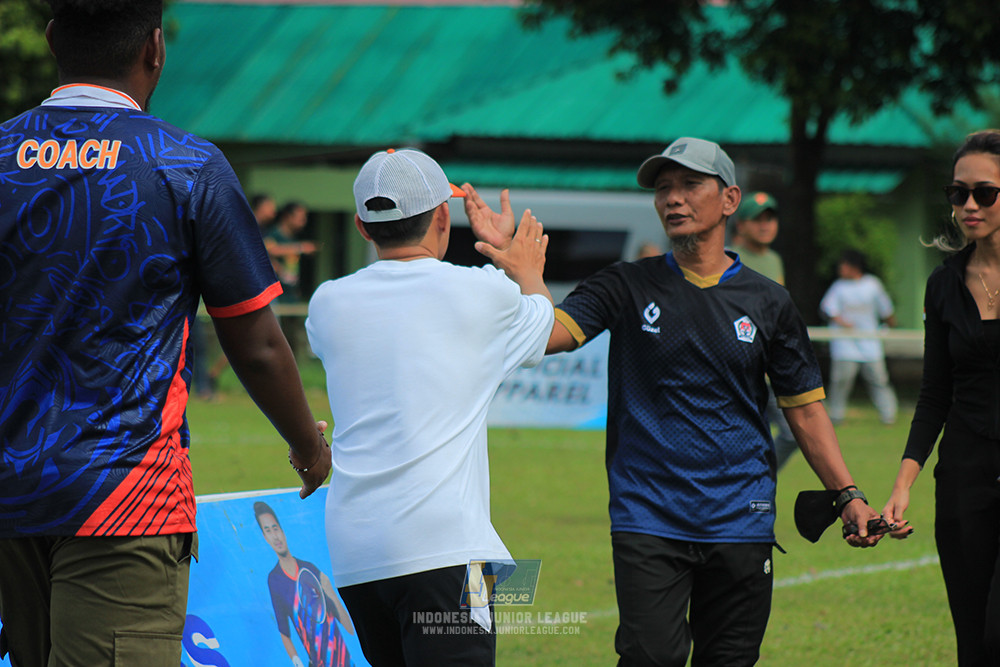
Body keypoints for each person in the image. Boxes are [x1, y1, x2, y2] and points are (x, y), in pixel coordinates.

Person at [466, 136, 884, 666]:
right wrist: (520, 268)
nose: (673, 198)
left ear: (729, 200)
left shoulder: (769, 302)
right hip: (649, 517)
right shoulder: (626, 284)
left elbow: (803, 409)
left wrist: (847, 494)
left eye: (690, 185)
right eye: (664, 188)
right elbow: (548, 335)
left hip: (742, 518)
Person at [0, 2, 331, 665]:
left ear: (52, 39)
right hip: (126, 499)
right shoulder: (185, 165)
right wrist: (308, 446)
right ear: (156, 49)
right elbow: (258, 343)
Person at [304, 148, 554, 667]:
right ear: (444, 216)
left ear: (363, 226)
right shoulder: (480, 290)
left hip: (356, 553)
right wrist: (518, 260)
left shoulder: (326, 303)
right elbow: (542, 326)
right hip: (449, 551)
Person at [882, 129, 1000, 666]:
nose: (969, 205)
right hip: (964, 479)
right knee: (973, 643)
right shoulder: (943, 284)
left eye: (985, 192)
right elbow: (934, 394)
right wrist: (902, 485)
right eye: (958, 193)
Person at [732, 191, 798, 469]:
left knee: (792, 433)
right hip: (740, 367)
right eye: (757, 219)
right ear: (741, 225)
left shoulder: (774, 260)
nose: (765, 225)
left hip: (772, 366)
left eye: (770, 218)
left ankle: (754, 477)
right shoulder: (730, 258)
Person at [254, 502, 355, 667]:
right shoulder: (275, 580)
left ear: (283, 530)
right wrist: (297, 661)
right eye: (268, 531)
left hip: (345, 662)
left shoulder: (310, 569)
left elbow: (349, 628)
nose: (275, 536)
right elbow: (284, 631)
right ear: (265, 537)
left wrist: (331, 593)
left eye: (276, 528)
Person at [819, 248, 899, 425]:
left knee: (879, 380)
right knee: (841, 381)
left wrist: (890, 326)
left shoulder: (872, 284)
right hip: (845, 344)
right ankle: (836, 415)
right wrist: (842, 321)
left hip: (870, 342)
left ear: (854, 266)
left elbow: (886, 309)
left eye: (844, 264)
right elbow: (827, 308)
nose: (841, 268)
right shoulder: (838, 286)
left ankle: (888, 415)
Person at [266, 201, 319, 303]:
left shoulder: (293, 238)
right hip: (275, 294)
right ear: (287, 217)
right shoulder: (273, 234)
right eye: (300, 218)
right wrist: (301, 248)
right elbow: (270, 250)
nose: (304, 222)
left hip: (291, 292)